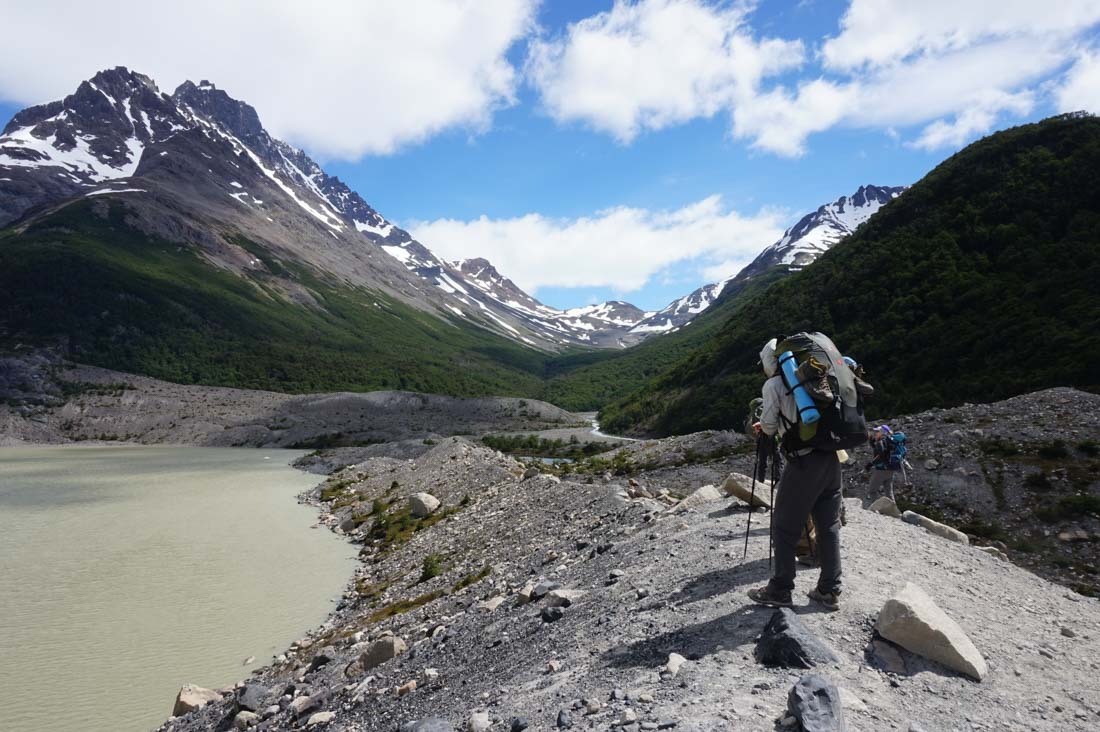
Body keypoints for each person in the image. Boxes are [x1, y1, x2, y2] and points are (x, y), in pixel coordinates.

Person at [747, 338, 844, 611]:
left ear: (770, 362)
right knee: (829, 526)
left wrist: (766, 426)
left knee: (783, 526)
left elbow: (768, 427)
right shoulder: (816, 378)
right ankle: (829, 589)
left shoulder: (774, 385)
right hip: (831, 459)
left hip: (803, 463)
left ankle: (780, 588)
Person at [866, 425, 898, 501]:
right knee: (889, 492)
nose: (875, 433)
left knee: (872, 491)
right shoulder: (888, 441)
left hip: (881, 470)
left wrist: (871, 463)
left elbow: (881, 455)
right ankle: (893, 511)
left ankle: (874, 511)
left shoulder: (880, 442)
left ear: (882, 432)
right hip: (890, 470)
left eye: (877, 431)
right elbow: (879, 449)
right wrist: (871, 440)